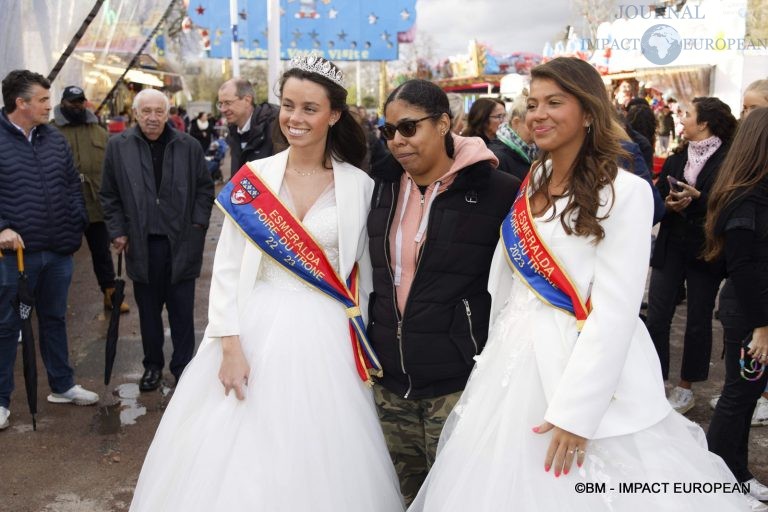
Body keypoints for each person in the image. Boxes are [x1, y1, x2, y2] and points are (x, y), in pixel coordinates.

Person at [407, 56, 748, 512]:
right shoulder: (535, 178)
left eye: (554, 102)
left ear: (588, 111)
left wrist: (577, 413)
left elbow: (617, 309)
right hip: (512, 361)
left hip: (580, 370)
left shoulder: (625, 192)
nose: (538, 114)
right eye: (532, 104)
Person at [129, 55, 404, 512]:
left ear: (334, 114)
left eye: (309, 108)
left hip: (328, 336)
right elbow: (229, 268)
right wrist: (229, 345)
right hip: (255, 327)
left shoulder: (359, 185)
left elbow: (364, 275)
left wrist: (365, 345)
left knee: (321, 452)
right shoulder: (254, 179)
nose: (295, 118)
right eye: (289, 105)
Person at [367, 79, 519, 504]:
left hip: (457, 384)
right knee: (400, 496)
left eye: (409, 127)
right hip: (387, 382)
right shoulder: (377, 187)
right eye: (389, 131)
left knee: (456, 498)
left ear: (443, 124)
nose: (397, 141)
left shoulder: (500, 191)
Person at [0, 70, 99, 431]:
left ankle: (62, 385)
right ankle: (0, 400)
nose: (48, 105)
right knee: (7, 325)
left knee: (55, 319)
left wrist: (76, 225)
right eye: (41, 100)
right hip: (14, 257)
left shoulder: (53, 138)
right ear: (20, 103)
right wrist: (2, 228)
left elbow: (72, 185)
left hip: (57, 250)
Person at [100, 89, 214, 392]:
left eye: (159, 111)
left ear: (168, 113)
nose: (152, 117)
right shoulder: (118, 146)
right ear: (135, 114)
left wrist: (198, 224)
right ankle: (152, 366)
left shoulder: (187, 145)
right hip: (141, 243)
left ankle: (183, 369)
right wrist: (117, 230)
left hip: (181, 242)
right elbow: (109, 195)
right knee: (148, 313)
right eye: (146, 111)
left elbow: (205, 188)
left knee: (181, 311)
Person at [645, 97, 737, 414]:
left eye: (688, 115)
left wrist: (699, 198)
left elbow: (728, 202)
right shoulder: (676, 157)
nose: (681, 119)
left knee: (698, 321)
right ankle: (653, 382)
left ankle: (686, 387)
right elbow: (657, 195)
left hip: (705, 250)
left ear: (705, 123)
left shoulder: (729, 159)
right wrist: (666, 204)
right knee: (656, 316)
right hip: (671, 245)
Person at [705, 107, 768, 512]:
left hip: (755, 315)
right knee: (739, 397)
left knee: (745, 396)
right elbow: (744, 268)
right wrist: (762, 326)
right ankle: (717, 478)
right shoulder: (748, 197)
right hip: (750, 317)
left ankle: (736, 473)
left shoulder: (753, 190)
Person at [51, 85, 129, 314]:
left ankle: (110, 294)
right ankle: (54, 301)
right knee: (61, 255)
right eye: (72, 102)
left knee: (101, 253)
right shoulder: (50, 131)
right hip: (63, 206)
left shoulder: (99, 132)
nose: (76, 106)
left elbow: (112, 168)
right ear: (63, 103)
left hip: (95, 205)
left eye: (79, 102)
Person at [218, 78, 279, 179]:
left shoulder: (274, 129)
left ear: (247, 100)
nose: (223, 109)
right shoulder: (233, 133)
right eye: (220, 104)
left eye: (228, 103)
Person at [488, 92, 537, 181]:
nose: (538, 127)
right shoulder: (497, 158)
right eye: (532, 123)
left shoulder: (533, 151)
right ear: (516, 122)